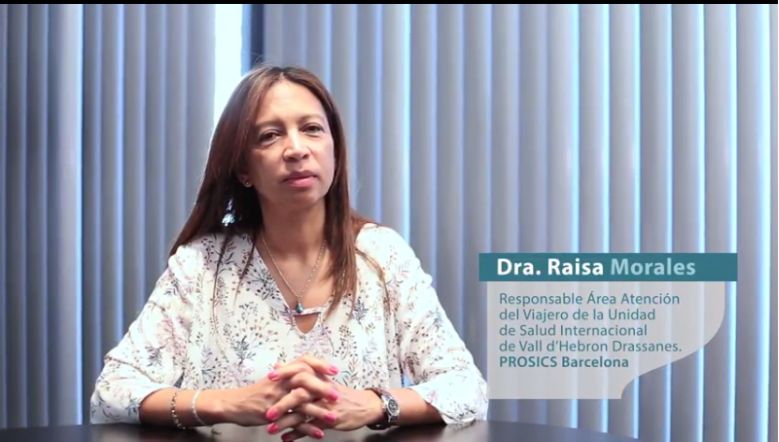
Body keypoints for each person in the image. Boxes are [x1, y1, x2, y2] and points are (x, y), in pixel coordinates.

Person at [90, 65, 488, 440]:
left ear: (335, 151)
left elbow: (466, 386)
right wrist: (229, 404)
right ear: (243, 169)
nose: (296, 149)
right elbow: (112, 392)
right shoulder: (202, 264)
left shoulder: (382, 255)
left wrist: (374, 404)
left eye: (312, 129)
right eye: (269, 136)